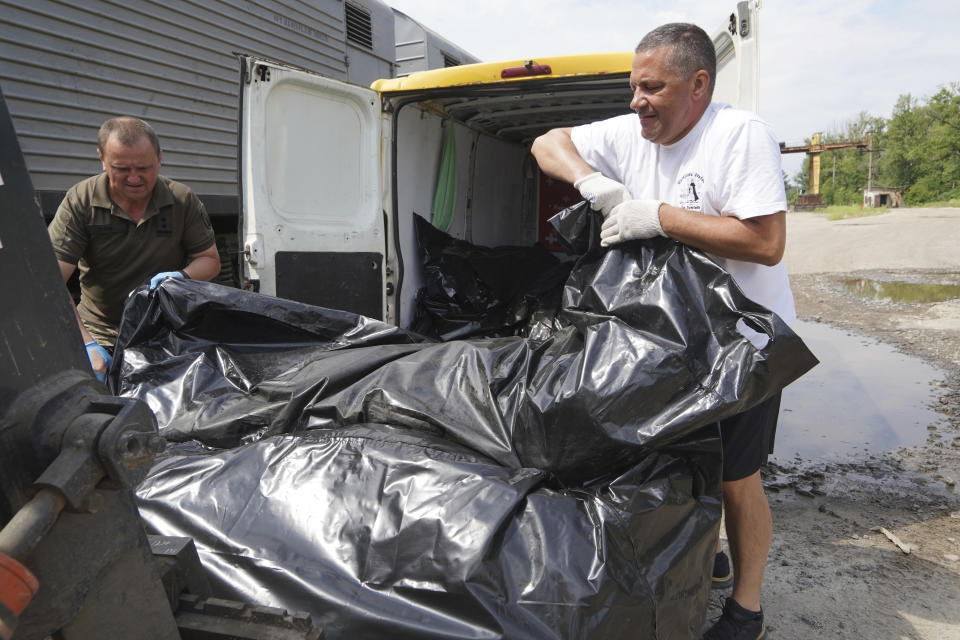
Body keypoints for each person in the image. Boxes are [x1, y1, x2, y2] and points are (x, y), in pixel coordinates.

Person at [531, 22, 794, 640]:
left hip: (741, 342)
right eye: (633, 87)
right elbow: (548, 142)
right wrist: (592, 182)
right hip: (662, 337)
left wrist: (660, 216)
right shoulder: (631, 133)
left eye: (653, 88)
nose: (636, 101)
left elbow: (766, 242)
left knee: (737, 475)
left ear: (698, 85)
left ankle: (746, 609)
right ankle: (702, 556)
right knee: (666, 458)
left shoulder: (738, 136)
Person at [48, 116, 220, 381]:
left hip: (163, 334)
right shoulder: (82, 201)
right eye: (121, 168)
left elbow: (209, 260)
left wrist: (182, 276)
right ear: (102, 159)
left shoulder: (181, 201)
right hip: (99, 334)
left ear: (160, 159)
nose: (134, 178)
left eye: (144, 168)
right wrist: (85, 344)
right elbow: (50, 281)